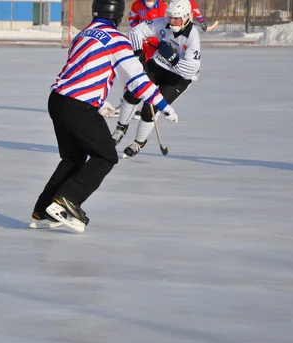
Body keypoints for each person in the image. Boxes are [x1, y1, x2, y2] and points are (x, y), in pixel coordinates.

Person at [30, 0, 178, 233]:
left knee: (73, 158)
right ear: (118, 15)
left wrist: (100, 100)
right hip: (78, 105)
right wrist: (162, 104)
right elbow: (137, 80)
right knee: (106, 156)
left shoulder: (84, 34)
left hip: (57, 99)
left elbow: (82, 67)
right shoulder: (117, 40)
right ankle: (68, 200)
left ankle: (44, 207)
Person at [112, 0, 201, 159]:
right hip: (159, 64)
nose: (172, 22)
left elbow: (190, 70)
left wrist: (173, 58)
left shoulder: (192, 37)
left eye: (176, 19)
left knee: (150, 107)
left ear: (187, 17)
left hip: (178, 77)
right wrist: (138, 54)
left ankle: (139, 142)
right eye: (169, 18)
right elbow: (135, 32)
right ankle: (121, 128)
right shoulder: (163, 22)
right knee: (134, 91)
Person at [99, 0, 166, 119]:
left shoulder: (163, 7)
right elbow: (133, 19)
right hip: (139, 45)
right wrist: (139, 33)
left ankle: (149, 107)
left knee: (150, 75)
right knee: (132, 72)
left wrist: (153, 39)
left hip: (155, 47)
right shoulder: (136, 5)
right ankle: (126, 103)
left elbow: (163, 29)